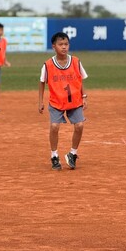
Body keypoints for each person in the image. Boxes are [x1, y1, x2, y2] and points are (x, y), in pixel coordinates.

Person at [38, 32, 88, 170]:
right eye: (60, 44)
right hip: (56, 101)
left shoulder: (76, 62)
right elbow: (42, 82)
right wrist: (40, 101)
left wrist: (84, 97)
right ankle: (54, 156)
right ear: (54, 46)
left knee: (80, 126)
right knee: (54, 126)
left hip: (75, 101)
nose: (64, 47)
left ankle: (73, 154)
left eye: (66, 44)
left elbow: (80, 79)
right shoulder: (48, 65)